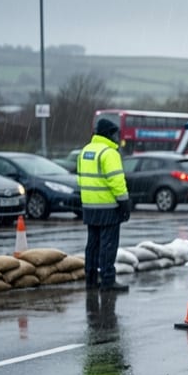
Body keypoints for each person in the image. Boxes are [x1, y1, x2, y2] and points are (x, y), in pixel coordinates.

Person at [77, 117, 131, 292]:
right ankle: (108, 280)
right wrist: (124, 203)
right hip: (108, 207)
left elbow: (80, 178)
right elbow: (116, 181)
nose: (116, 138)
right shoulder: (109, 153)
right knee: (108, 245)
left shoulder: (85, 151)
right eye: (114, 134)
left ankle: (91, 278)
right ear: (108, 134)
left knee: (92, 245)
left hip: (89, 207)